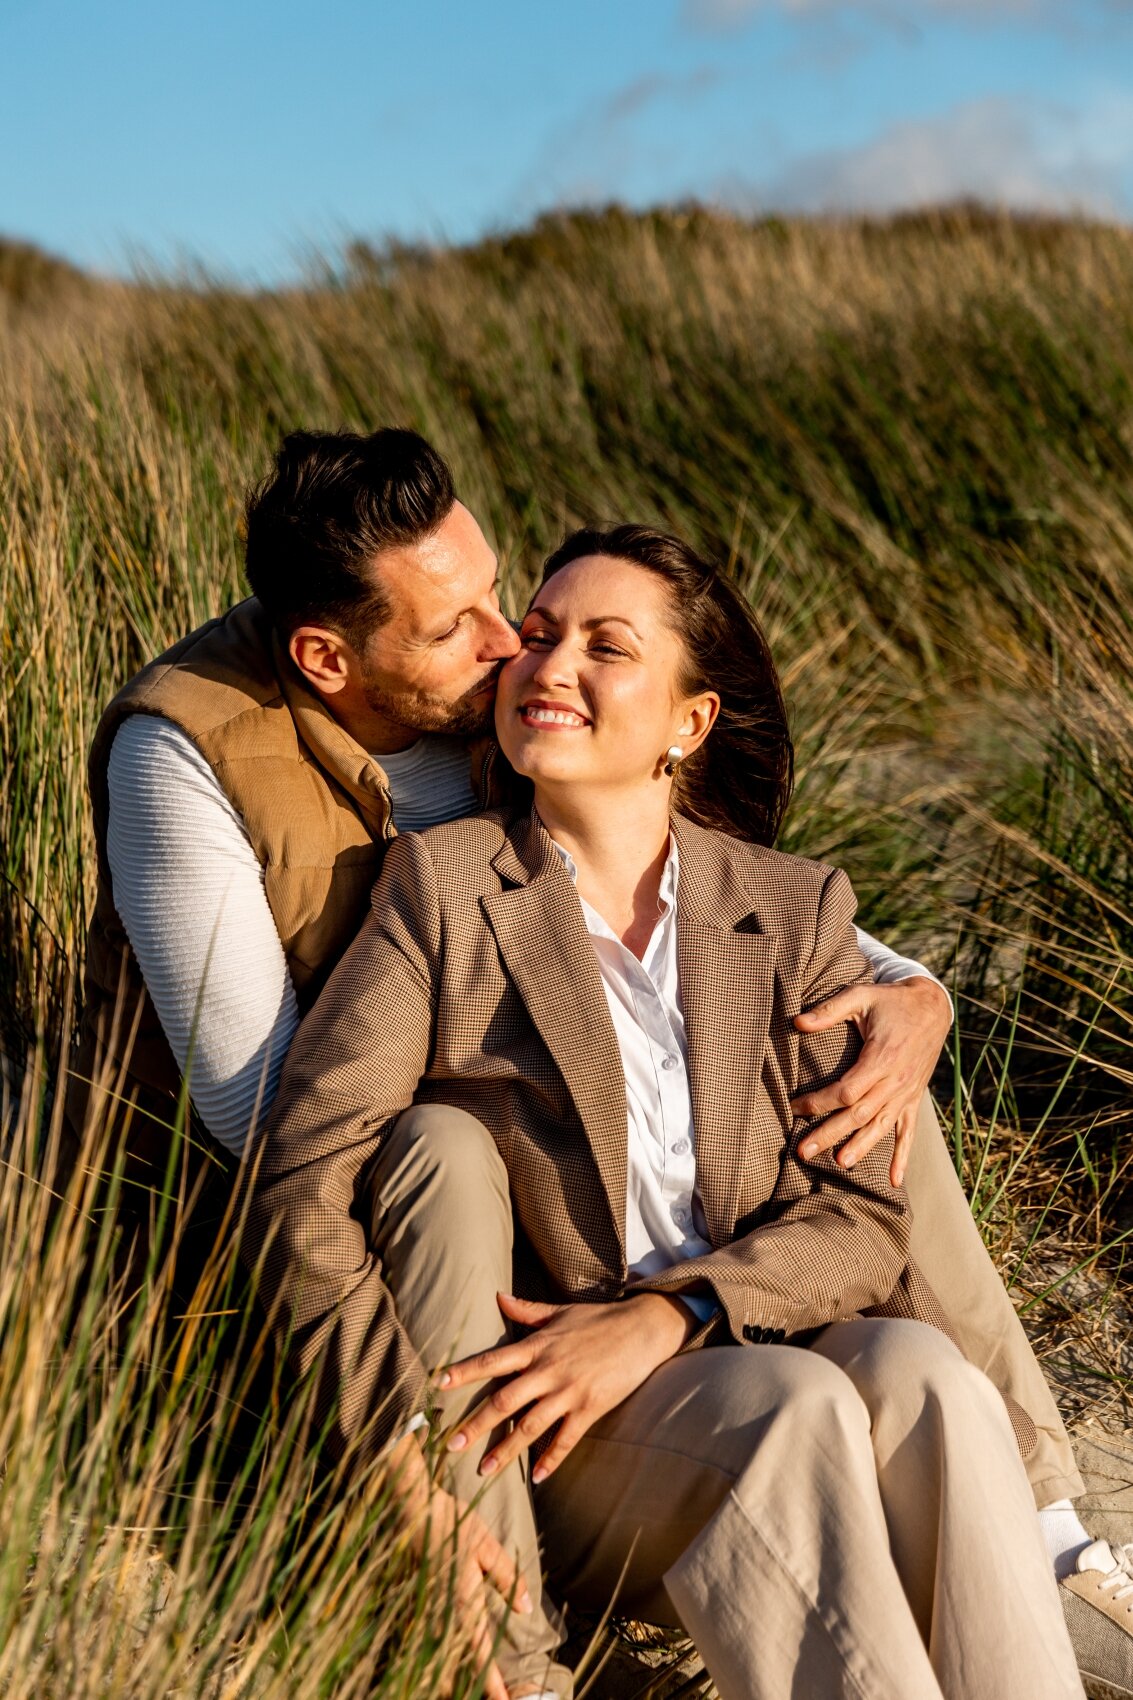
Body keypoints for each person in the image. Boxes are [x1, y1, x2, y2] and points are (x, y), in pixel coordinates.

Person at [68, 430, 1130, 1695]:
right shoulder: (216, 766)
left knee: (908, 1312)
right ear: (328, 659)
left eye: (515, 608)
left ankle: (1045, 1533)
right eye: (474, 625)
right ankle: (492, 1622)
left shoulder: (714, 863)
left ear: (686, 723)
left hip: (696, 1298)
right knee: (455, 1155)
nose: (516, 648)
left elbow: (800, 988)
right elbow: (275, 1132)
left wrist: (913, 994)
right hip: (420, 1255)